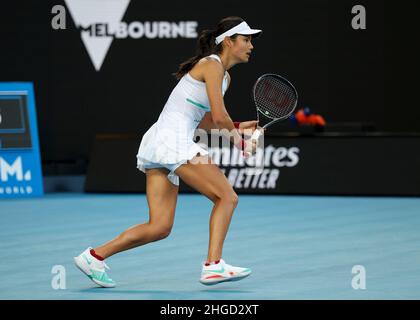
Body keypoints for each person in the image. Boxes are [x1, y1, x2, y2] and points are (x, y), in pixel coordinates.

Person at [74, 16, 263, 287]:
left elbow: (208, 121)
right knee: (227, 198)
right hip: (172, 141)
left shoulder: (224, 77)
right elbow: (219, 118)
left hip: (161, 141)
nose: (250, 46)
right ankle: (213, 265)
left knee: (159, 227)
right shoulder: (212, 65)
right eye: (245, 40)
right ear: (228, 41)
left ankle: (94, 256)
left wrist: (240, 125)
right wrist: (240, 142)